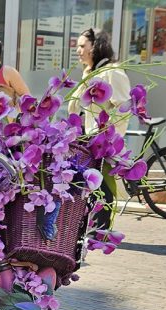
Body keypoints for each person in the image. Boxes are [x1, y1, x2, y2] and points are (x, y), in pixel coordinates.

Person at [69, 28, 132, 230]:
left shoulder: (113, 72)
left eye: (82, 46)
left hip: (104, 144)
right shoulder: (92, 72)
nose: (78, 50)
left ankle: (101, 232)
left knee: (103, 189)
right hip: (90, 142)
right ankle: (94, 230)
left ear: (95, 46)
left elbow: (124, 107)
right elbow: (74, 107)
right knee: (93, 188)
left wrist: (107, 133)